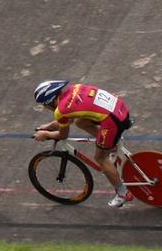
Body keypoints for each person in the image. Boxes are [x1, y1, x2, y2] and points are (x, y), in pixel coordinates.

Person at [31, 79, 135, 207]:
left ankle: (123, 193)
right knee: (80, 122)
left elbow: (63, 135)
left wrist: (46, 135)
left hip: (113, 122)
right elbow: (69, 119)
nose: (45, 108)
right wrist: (49, 127)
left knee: (100, 158)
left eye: (44, 105)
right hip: (120, 109)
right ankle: (109, 145)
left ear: (50, 101)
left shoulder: (61, 110)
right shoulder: (74, 89)